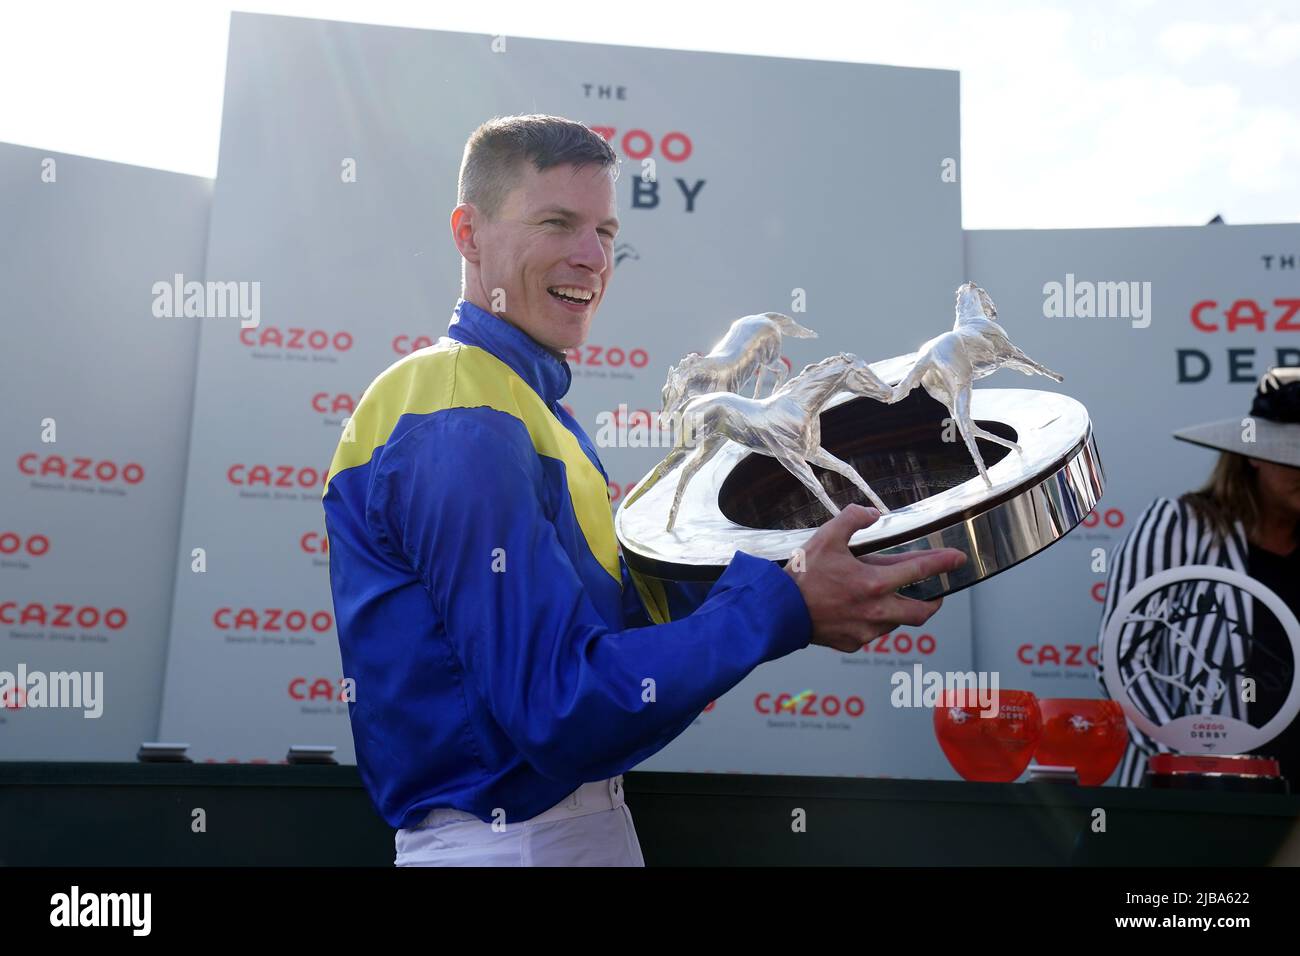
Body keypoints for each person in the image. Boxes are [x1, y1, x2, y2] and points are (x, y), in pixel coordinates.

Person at [321, 114, 966, 866]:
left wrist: (806, 570)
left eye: (605, 230)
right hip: (508, 845)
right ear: (469, 233)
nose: (593, 257)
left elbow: (625, 644)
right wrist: (784, 603)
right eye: (557, 223)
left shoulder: (532, 410)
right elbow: (563, 710)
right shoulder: (463, 412)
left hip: (570, 828)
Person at [1096, 366, 1300, 786]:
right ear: (1254, 455)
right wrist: (1195, 763)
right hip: (1192, 805)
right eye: (1292, 455)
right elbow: (1122, 658)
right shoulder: (1179, 526)